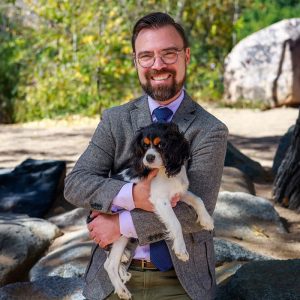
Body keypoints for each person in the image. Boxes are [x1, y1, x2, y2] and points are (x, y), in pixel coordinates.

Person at [64, 12, 228, 300]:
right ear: (136, 61)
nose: (158, 65)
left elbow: (195, 213)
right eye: (146, 56)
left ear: (186, 56)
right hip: (108, 282)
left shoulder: (210, 129)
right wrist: (130, 194)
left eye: (168, 53)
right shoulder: (115, 119)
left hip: (181, 282)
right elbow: (76, 183)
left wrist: (120, 225)